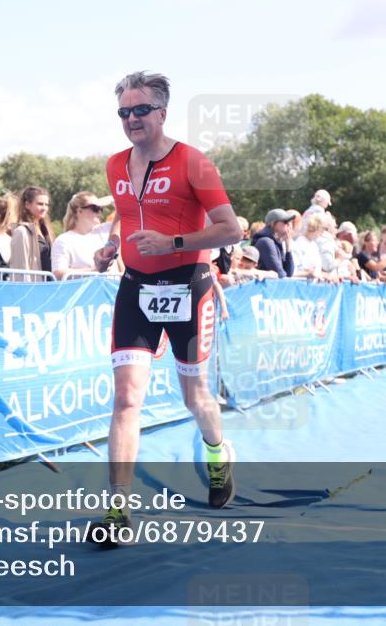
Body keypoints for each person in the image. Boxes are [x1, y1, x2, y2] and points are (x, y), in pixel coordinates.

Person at [91, 72, 243, 544]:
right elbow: (125, 212)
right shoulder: (115, 164)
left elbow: (232, 229)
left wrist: (172, 242)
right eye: (123, 112)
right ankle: (118, 510)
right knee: (126, 399)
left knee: (195, 397)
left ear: (161, 113)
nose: (131, 119)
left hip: (188, 287)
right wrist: (112, 245)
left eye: (140, 110)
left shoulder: (194, 162)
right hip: (135, 288)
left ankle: (217, 454)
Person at [52, 191, 119, 280]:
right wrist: (94, 269)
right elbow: (58, 273)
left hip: (112, 287)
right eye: (95, 208)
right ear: (79, 211)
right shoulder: (63, 240)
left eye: (101, 208)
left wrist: (112, 200)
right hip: (83, 289)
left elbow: (127, 214)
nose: (99, 212)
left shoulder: (106, 229)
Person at [9, 186, 53, 281]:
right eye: (40, 204)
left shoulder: (45, 230)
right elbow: (20, 267)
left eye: (46, 205)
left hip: (48, 284)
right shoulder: (21, 232)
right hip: (32, 286)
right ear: (27, 204)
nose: (44, 208)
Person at [252, 209, 297, 279]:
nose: (289, 224)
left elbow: (289, 273)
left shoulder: (275, 242)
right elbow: (280, 274)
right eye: (285, 221)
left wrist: (288, 246)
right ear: (273, 224)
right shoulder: (266, 242)